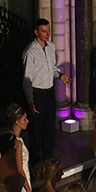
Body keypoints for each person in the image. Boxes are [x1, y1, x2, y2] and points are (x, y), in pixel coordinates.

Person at [22, 18, 72, 166]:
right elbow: (27, 79)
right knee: (36, 131)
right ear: (36, 32)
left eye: (48, 30)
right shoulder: (30, 52)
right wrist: (30, 101)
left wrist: (60, 75)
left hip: (49, 93)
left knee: (50, 129)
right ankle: (37, 163)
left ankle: (49, 161)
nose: (47, 34)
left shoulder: (51, 46)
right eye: (44, 31)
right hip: (37, 94)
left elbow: (52, 67)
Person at [6, 103, 36, 192]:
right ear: (17, 122)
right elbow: (19, 170)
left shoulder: (11, 139)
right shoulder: (16, 143)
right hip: (22, 183)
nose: (27, 121)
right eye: (24, 119)